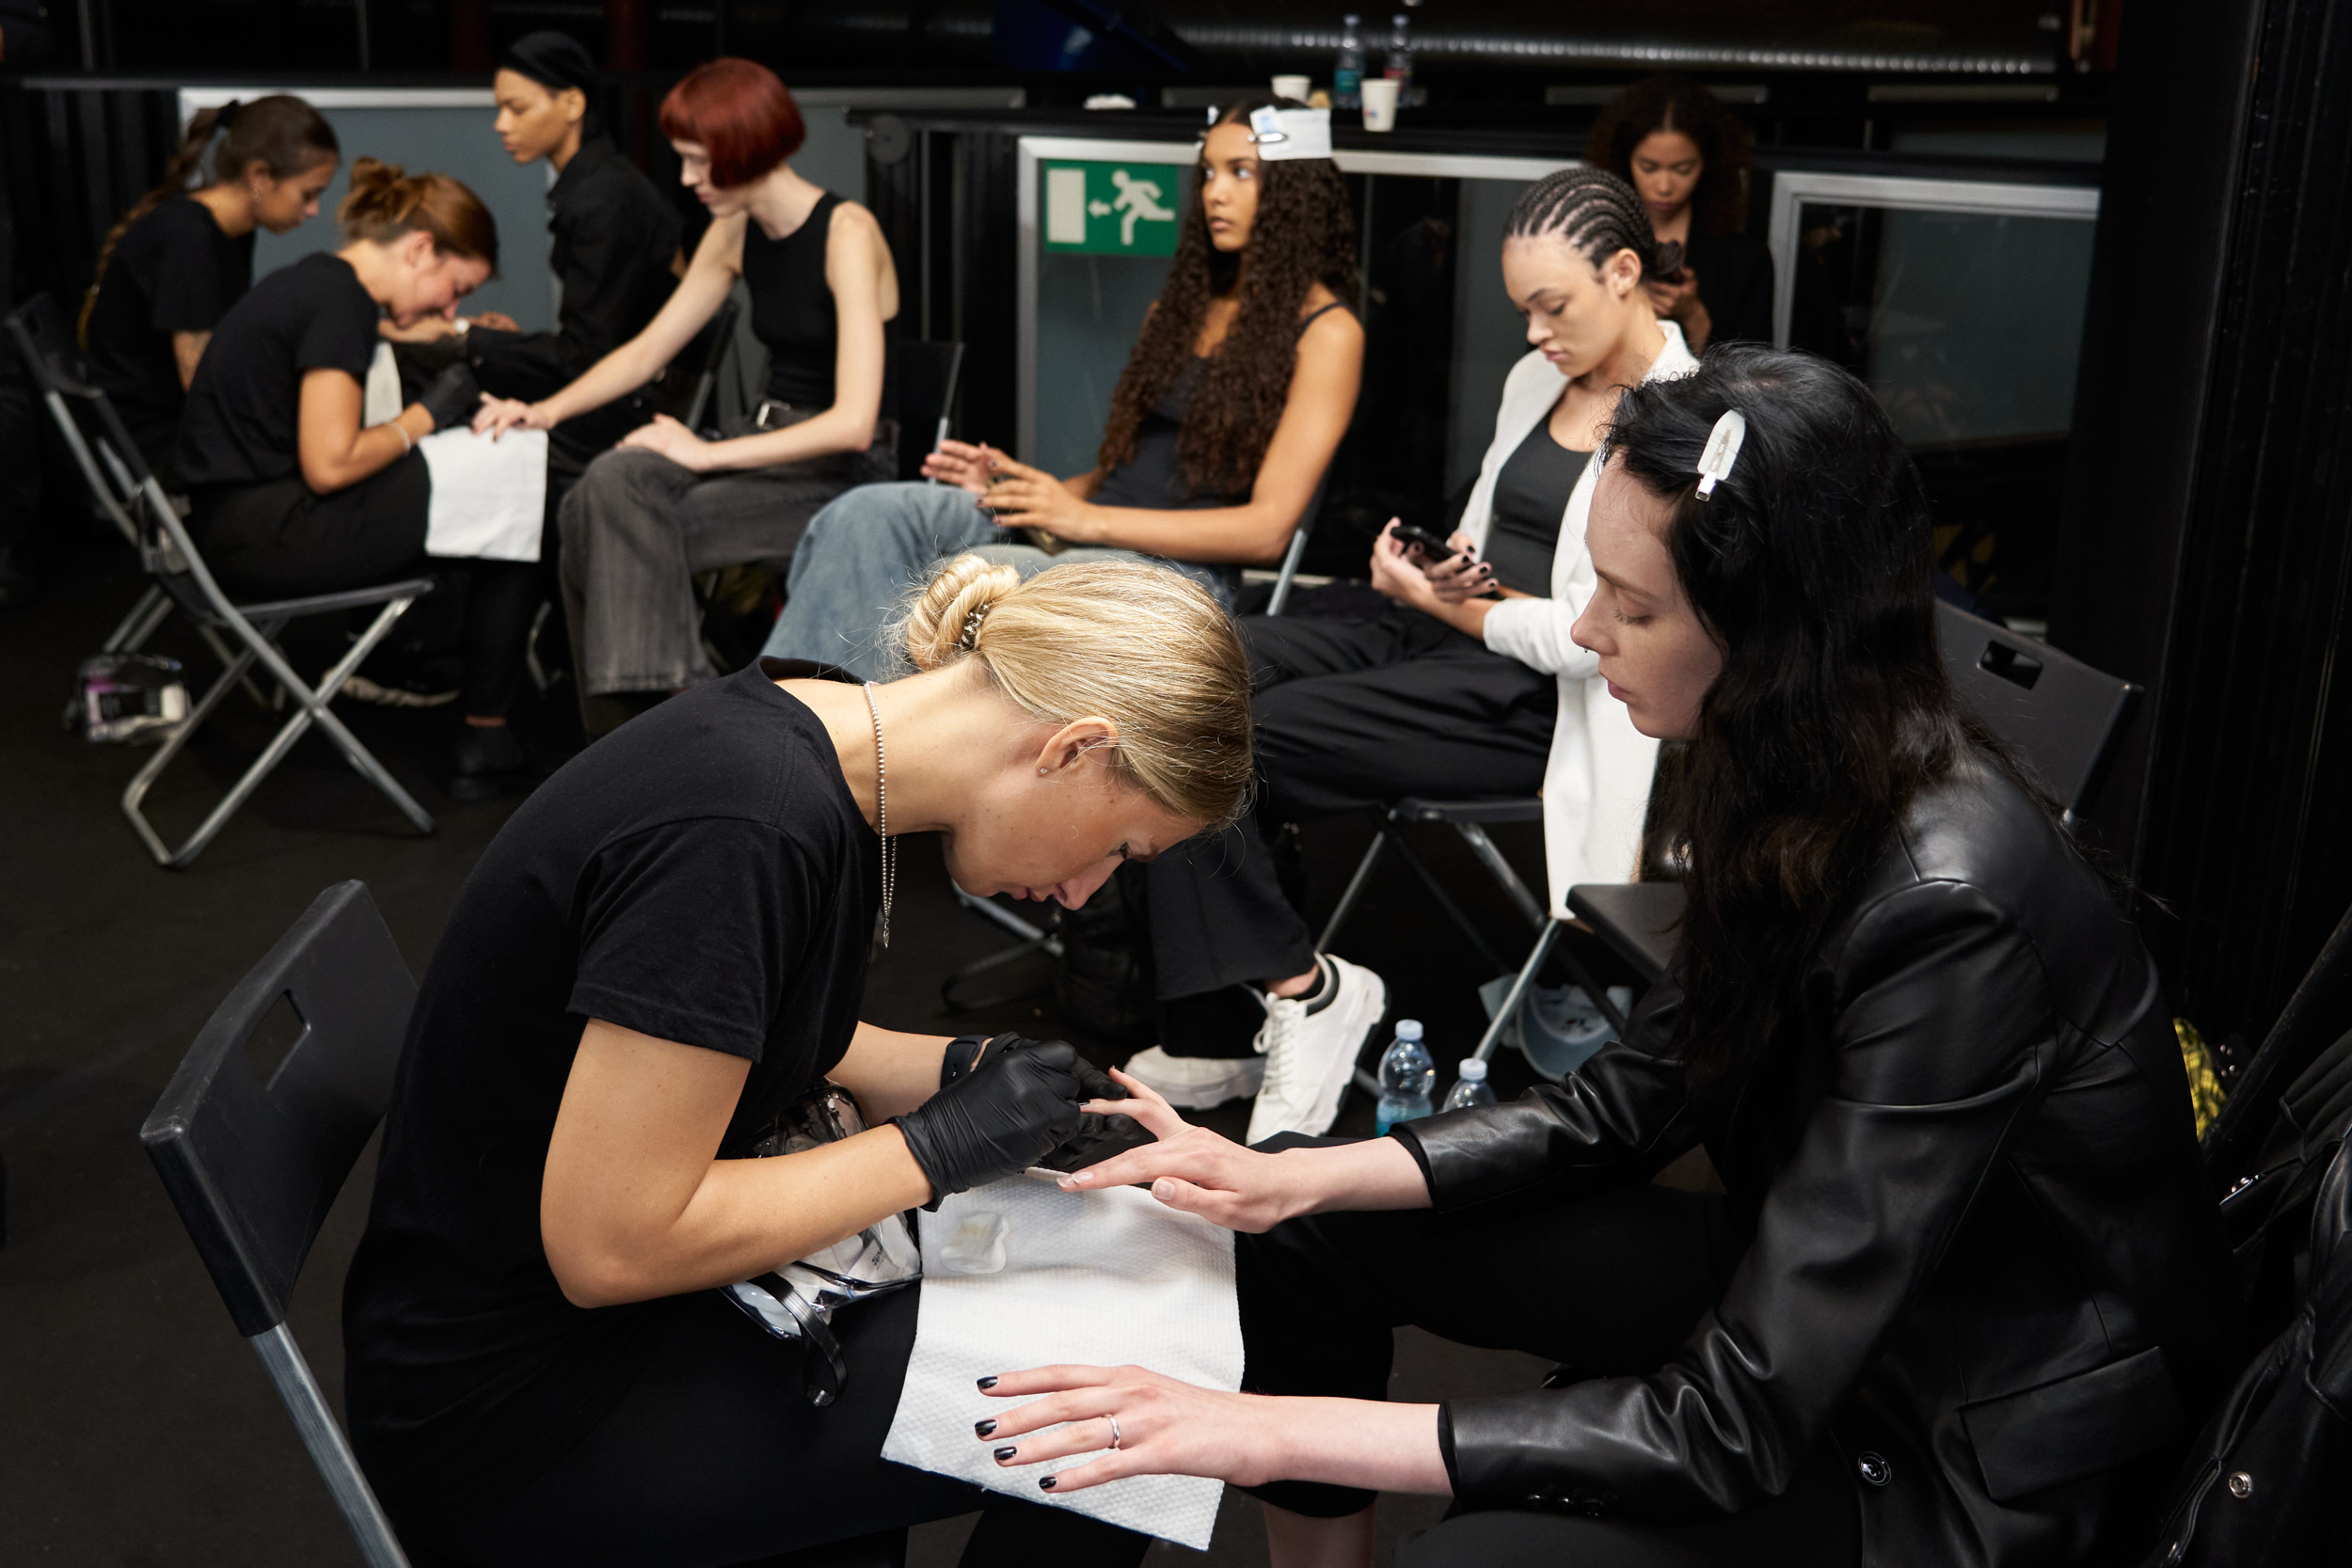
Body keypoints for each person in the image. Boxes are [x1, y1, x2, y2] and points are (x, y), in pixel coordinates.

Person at [980, 347, 2234, 1568]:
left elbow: (1728, 1419)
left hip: (1952, 1425)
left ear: (1771, 632)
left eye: (1632, 605)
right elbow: (1625, 1100)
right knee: (1297, 1219)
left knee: (1473, 1552)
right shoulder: (1789, 768)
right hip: (1819, 1296)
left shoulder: (1951, 902)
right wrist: (1282, 1179)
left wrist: (1253, 1423)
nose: (1585, 630)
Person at [342, 554, 1252, 1568]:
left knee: (1112, 1354)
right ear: (1076, 748)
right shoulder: (744, 829)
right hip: (519, 1406)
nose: (1086, 892)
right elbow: (613, 1246)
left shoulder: (813, 734)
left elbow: (747, 1042)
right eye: (1119, 850)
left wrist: (967, 1070)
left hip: (575, 1324)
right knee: (1129, 1417)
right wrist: (939, 1140)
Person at [1123, 167, 1690, 1143]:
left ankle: (1303, 991)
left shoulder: (1681, 420)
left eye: (1551, 307)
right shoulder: (1536, 379)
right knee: (1173, 665)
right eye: (1521, 310)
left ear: (1625, 273)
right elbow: (1482, 534)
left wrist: (1457, 608)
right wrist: (1426, 570)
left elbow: (1586, 638)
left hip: (1528, 698)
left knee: (1224, 737)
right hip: (1439, 627)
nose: (1532, 334)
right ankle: (1223, 1023)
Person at [760, 97, 1362, 683]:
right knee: (866, 516)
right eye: (1208, 171)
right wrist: (1017, 493)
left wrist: (1083, 519)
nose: (1215, 192)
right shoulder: (1175, 312)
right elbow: (1116, 475)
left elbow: (1266, 532)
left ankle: (849, 753)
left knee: (953, 582)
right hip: (1089, 533)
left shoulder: (1327, 333)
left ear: (1294, 192)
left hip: (1174, 578)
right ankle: (789, 722)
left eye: (1242, 172)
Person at [473, 56, 898, 731]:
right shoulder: (734, 228)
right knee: (603, 487)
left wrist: (699, 454)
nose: (687, 180)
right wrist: (546, 411)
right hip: (760, 449)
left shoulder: (847, 233)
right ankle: (663, 714)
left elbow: (852, 423)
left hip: (835, 468)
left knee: (608, 514)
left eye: (701, 163)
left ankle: (659, 726)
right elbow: (647, 350)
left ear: (748, 150)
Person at [174, 159, 536, 791]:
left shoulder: (316, 283)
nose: (449, 306)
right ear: (422, 248)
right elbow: (331, 463)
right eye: (455, 288)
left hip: (224, 530)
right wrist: (432, 412)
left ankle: (475, 712)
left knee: (499, 480)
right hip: (265, 538)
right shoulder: (341, 301)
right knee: (517, 477)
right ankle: (485, 731)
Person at [401, 32, 682, 508]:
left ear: (572, 104)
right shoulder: (594, 186)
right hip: (612, 386)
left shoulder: (604, 199)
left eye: (518, 108)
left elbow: (584, 356)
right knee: (442, 372)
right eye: (500, 108)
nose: (500, 124)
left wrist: (467, 336)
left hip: (620, 407)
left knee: (443, 383)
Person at [82, 96, 341, 491]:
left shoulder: (229, 230)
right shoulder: (189, 241)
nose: (313, 211)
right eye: (307, 194)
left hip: (175, 425)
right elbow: (202, 381)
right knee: (325, 456)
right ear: (259, 177)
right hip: (158, 442)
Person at [1587, 75, 1774, 353]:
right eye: (1649, 167)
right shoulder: (1588, 243)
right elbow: (1551, 355)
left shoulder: (1745, 261)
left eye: (1682, 169)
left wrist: (1694, 317)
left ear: (1708, 165)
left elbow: (1753, 383)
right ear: (1624, 161)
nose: (1664, 187)